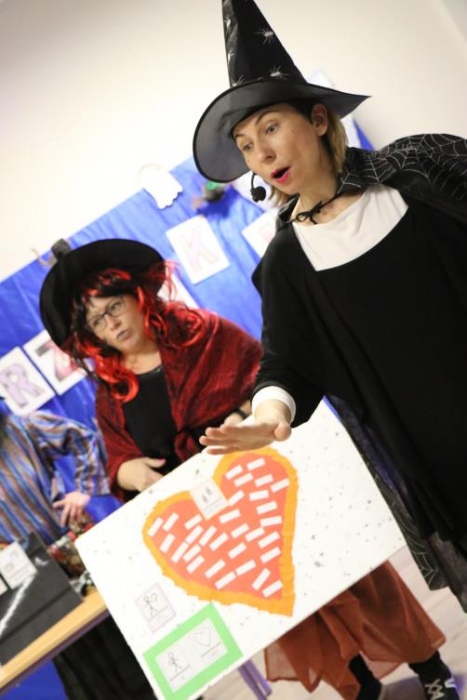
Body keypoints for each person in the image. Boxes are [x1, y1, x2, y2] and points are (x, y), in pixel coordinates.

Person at [39, 237, 458, 700]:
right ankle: (363, 692)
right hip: (217, 523)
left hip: (274, 487)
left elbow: (268, 378)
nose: (111, 323)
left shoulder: (203, 334)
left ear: (137, 296)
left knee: (363, 586)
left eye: (114, 306)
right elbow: (118, 461)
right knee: (293, 612)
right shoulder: (113, 392)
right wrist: (128, 473)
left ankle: (432, 672)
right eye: (97, 320)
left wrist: (244, 416)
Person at [0, 401, 160, 700]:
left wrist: (83, 489)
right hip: (33, 582)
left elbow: (83, 437)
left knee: (132, 643)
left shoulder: (22, 428)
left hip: (77, 558)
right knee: (87, 671)